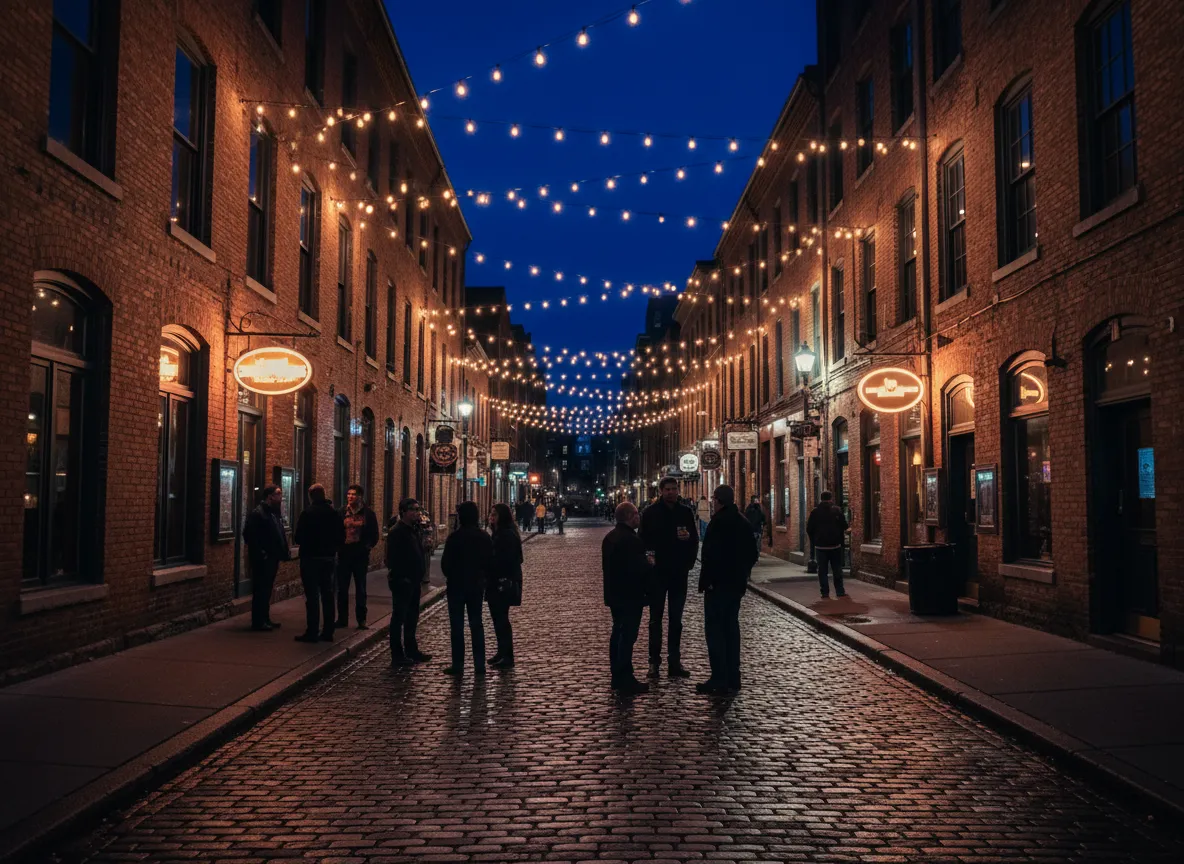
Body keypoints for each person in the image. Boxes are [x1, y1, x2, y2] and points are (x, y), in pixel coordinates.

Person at [697, 485, 759, 696]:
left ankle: (719, 678)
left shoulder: (719, 522)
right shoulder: (743, 521)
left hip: (719, 586)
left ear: (718, 500)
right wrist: (742, 574)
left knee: (715, 632)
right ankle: (734, 677)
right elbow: (752, 554)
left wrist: (710, 581)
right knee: (732, 630)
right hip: (735, 586)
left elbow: (711, 555)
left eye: (714, 499)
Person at [639, 476, 699, 679]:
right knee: (655, 621)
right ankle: (654, 663)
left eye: (674, 489)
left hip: (678, 573)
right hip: (657, 574)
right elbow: (643, 541)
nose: (671, 492)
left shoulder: (685, 512)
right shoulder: (650, 513)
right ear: (661, 491)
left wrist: (689, 563)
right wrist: (648, 562)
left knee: (676, 621)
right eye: (667, 489)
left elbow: (694, 539)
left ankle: (674, 662)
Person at [602, 501, 652, 695]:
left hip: (614, 594)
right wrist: (649, 564)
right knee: (627, 637)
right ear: (631, 517)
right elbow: (638, 569)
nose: (639, 517)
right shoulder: (632, 540)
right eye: (637, 514)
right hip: (630, 595)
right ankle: (625, 677)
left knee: (617, 634)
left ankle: (617, 675)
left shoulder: (610, 537)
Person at [440, 501, 494, 675]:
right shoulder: (484, 537)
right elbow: (489, 562)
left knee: (457, 627)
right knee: (476, 624)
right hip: (476, 586)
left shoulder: (454, 538)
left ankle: (458, 664)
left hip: (456, 586)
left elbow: (445, 565)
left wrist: (453, 575)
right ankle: (479, 664)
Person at [292, 484, 344, 643]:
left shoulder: (307, 513)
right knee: (328, 595)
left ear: (311, 496)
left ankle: (312, 631)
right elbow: (341, 537)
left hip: (310, 559)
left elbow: (298, 538)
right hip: (328, 559)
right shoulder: (334, 514)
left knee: (312, 596)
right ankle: (328, 631)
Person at [386, 498, 432, 666]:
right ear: (403, 512)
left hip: (414, 581)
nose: (416, 513)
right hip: (403, 581)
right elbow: (391, 558)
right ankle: (397, 655)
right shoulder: (397, 531)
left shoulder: (414, 530)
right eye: (413, 510)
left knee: (412, 618)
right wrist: (401, 577)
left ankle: (412, 651)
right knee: (399, 618)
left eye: (418, 509)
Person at [241, 484, 290, 632]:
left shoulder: (272, 513)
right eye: (278, 495)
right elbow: (250, 536)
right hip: (263, 559)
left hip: (271, 557)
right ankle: (258, 621)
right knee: (261, 590)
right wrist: (263, 553)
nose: (281, 498)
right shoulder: (258, 513)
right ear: (270, 497)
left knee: (267, 589)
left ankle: (265, 618)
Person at [335, 484, 379, 630]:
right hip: (344, 554)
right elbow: (336, 531)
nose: (350, 497)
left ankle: (361, 619)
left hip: (360, 555)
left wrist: (367, 547)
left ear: (360, 496)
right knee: (342, 588)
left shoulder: (368, 514)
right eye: (348, 494)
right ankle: (342, 619)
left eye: (353, 494)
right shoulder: (341, 512)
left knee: (361, 587)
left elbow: (374, 534)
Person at [487, 503, 523, 667]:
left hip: (503, 584)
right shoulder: (500, 533)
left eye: (494, 514)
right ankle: (502, 652)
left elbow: (508, 560)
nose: (491, 517)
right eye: (491, 514)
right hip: (498, 583)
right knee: (498, 619)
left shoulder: (506, 535)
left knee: (502, 620)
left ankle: (507, 656)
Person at [807, 490, 849, 598]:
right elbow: (844, 525)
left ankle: (825, 592)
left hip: (820, 546)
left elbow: (809, 529)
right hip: (835, 545)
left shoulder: (815, 512)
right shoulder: (837, 511)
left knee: (822, 571)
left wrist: (815, 540)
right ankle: (840, 591)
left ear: (821, 499)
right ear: (831, 498)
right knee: (837, 569)